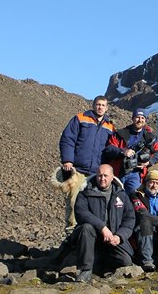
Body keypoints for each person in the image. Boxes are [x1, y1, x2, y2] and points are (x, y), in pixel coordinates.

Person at [59, 95, 116, 235]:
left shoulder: (110, 127)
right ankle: (71, 233)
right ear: (93, 105)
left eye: (103, 105)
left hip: (97, 173)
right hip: (78, 170)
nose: (100, 107)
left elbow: (111, 148)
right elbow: (67, 139)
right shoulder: (80, 119)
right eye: (98, 104)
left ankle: (90, 234)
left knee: (94, 204)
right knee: (73, 200)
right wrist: (67, 160)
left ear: (107, 108)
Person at [71, 164, 135, 282]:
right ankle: (85, 270)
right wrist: (102, 227)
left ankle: (100, 262)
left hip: (113, 237)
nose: (102, 178)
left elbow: (129, 219)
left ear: (112, 177)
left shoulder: (121, 195)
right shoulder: (85, 192)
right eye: (99, 175)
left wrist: (120, 236)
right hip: (92, 237)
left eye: (106, 176)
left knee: (125, 262)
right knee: (86, 227)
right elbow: (81, 213)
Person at [104, 108, 158, 195]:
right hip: (118, 172)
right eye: (137, 117)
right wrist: (123, 151)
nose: (140, 120)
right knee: (115, 199)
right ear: (132, 118)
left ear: (145, 120)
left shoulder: (149, 137)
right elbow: (109, 149)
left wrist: (149, 162)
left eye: (143, 118)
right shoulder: (121, 133)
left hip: (136, 174)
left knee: (134, 199)